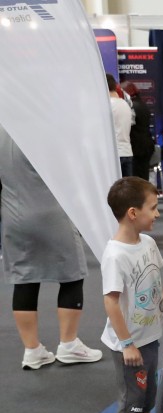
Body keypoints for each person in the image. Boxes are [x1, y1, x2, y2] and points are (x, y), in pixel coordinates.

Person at [0, 123, 104, 369]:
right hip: (52, 211)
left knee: (24, 279)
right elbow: (72, 173)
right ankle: (68, 344)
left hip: (14, 214)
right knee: (72, 275)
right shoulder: (47, 126)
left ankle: (32, 350)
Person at [100, 177, 163, 413]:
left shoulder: (147, 243)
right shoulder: (116, 255)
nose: (158, 213)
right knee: (130, 401)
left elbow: (156, 281)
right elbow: (111, 303)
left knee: (147, 396)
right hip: (128, 345)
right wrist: (127, 344)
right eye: (153, 207)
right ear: (133, 213)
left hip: (149, 336)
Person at [122, 81, 155, 181]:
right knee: (143, 178)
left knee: (136, 181)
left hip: (136, 149)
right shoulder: (142, 105)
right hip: (146, 147)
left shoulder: (132, 107)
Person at [107, 73, 133, 178]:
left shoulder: (108, 105)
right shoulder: (125, 104)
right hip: (127, 152)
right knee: (127, 192)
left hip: (114, 155)